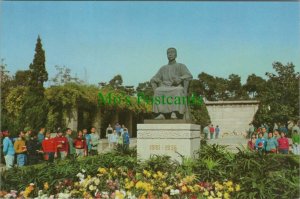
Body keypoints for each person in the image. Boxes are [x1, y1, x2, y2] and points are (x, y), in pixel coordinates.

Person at [150, 47, 193, 119]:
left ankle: (175, 112)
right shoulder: (163, 68)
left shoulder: (181, 66)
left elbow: (189, 75)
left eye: (172, 52)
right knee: (157, 91)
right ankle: (161, 114)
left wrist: (180, 78)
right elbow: (155, 77)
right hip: (164, 87)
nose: (170, 54)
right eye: (168, 53)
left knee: (178, 90)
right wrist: (156, 80)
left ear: (176, 55)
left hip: (176, 87)